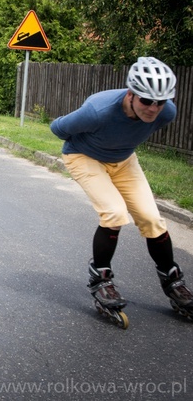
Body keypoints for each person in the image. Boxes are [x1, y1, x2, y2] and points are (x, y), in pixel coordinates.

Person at [50, 56, 193, 319]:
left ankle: (172, 280)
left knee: (152, 219)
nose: (153, 108)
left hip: (124, 160)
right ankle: (101, 278)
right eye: (146, 100)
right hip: (84, 156)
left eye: (160, 102)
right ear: (131, 94)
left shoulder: (167, 113)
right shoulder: (98, 110)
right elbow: (58, 128)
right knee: (115, 212)